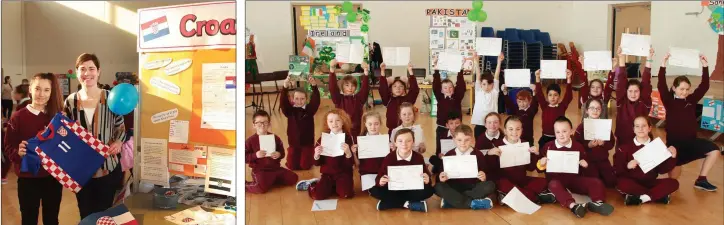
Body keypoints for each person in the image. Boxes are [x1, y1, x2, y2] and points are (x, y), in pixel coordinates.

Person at [64, 53, 126, 219]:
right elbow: (65, 134)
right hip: (81, 172)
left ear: (98, 72)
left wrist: (119, 142)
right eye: (82, 69)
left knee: (105, 215)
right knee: (85, 214)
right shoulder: (70, 102)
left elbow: (120, 127)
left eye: (91, 68)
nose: (87, 73)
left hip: (108, 168)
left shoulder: (111, 97)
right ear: (77, 72)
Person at [4, 73, 64, 225]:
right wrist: (17, 153)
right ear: (30, 89)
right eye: (37, 88)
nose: (41, 94)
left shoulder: (57, 117)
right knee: (29, 219)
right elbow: (8, 145)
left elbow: (65, 147)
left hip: (53, 177)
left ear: (52, 92)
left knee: (51, 219)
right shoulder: (17, 117)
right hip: (27, 178)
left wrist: (65, 133)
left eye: (46, 90)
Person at [657, 53, 719, 191]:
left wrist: (705, 66)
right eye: (681, 89)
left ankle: (701, 180)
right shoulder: (669, 101)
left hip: (691, 143)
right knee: (673, 182)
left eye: (687, 89)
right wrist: (663, 64)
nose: (684, 92)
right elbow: (661, 84)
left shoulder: (691, 100)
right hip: (675, 147)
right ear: (674, 88)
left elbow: (704, 85)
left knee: (715, 150)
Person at [537, 117, 613, 218]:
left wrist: (584, 164)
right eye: (558, 132)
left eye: (564, 131)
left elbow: (585, 165)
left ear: (571, 131)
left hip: (573, 180)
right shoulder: (548, 146)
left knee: (596, 182)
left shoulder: (578, 146)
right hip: (556, 181)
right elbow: (538, 168)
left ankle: (597, 203)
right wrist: (541, 163)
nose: (561, 134)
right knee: (553, 185)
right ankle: (573, 206)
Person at [489, 116, 555, 204]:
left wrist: (535, 154)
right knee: (502, 184)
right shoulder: (497, 144)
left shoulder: (525, 144)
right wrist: (490, 154)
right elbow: (492, 169)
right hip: (506, 181)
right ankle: (535, 197)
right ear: (505, 130)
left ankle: (509, 196)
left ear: (522, 130)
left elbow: (531, 168)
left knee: (544, 182)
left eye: (518, 129)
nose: (514, 132)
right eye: (511, 129)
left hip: (522, 180)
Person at [615, 116, 679, 205]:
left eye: (644, 126)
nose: (640, 129)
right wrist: (627, 165)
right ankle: (656, 196)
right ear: (633, 129)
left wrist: (672, 156)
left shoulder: (657, 146)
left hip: (650, 182)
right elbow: (617, 170)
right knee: (622, 184)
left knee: (673, 183)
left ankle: (640, 198)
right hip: (632, 182)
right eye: (637, 126)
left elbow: (662, 170)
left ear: (649, 128)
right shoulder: (624, 148)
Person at [369, 128, 434, 212]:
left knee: (429, 190)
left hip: (412, 189)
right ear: (395, 143)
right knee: (374, 190)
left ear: (413, 142)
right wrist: (381, 182)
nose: (404, 144)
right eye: (400, 141)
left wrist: (427, 179)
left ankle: (390, 203)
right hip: (394, 190)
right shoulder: (389, 157)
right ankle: (408, 204)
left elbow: (427, 177)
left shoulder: (418, 157)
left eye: (408, 141)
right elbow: (378, 178)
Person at [296, 109, 356, 200]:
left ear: (343, 122)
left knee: (346, 194)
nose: (334, 123)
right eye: (331, 121)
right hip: (328, 174)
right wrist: (316, 154)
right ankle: (314, 183)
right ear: (327, 124)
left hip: (343, 174)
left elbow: (351, 164)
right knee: (317, 195)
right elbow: (316, 163)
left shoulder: (348, 138)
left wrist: (348, 153)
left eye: (338, 120)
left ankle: (333, 187)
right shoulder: (323, 139)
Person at [435, 125, 496, 210]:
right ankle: (471, 203)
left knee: (490, 185)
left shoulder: (478, 154)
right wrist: (441, 178)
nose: (463, 143)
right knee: (438, 187)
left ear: (472, 139)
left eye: (467, 140)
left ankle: (452, 201)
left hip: (473, 187)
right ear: (454, 140)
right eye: (459, 140)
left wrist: (484, 176)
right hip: (454, 187)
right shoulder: (449, 154)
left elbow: (486, 172)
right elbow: (440, 176)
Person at [245, 110, 298, 194]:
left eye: (265, 122)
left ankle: (270, 180)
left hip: (275, 168)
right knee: (261, 189)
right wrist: (255, 155)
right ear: (254, 125)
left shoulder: (275, 138)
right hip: (260, 170)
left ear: (269, 124)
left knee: (293, 178)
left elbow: (282, 153)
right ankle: (244, 185)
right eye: (259, 123)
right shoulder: (250, 141)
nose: (262, 125)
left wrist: (279, 154)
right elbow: (244, 158)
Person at [614, 47, 653, 147]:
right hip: (623, 140)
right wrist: (621, 58)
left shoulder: (645, 102)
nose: (633, 94)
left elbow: (646, 81)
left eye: (636, 91)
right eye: (630, 91)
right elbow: (622, 79)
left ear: (641, 92)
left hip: (642, 141)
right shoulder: (621, 102)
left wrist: (649, 58)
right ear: (626, 92)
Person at [573, 98, 616, 187]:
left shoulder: (605, 125)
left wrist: (603, 144)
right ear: (587, 111)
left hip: (603, 160)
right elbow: (575, 145)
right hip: (589, 160)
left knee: (611, 182)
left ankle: (601, 176)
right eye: (592, 108)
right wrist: (588, 145)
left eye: (598, 108)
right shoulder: (581, 127)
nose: (595, 111)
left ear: (601, 110)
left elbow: (611, 143)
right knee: (595, 182)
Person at [280, 76, 320, 170]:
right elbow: (283, 103)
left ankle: (310, 155)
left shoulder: (310, 110)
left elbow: (316, 100)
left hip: (307, 144)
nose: (299, 101)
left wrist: (314, 85)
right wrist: (285, 87)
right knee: (292, 166)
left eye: (302, 99)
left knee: (305, 166)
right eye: (296, 98)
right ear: (293, 99)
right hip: (294, 144)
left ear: (306, 99)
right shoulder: (289, 111)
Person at [328, 59, 370, 137]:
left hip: (356, 131)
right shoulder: (338, 99)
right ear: (342, 87)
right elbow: (332, 88)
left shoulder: (359, 98)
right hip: (341, 131)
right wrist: (332, 70)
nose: (350, 88)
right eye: (347, 85)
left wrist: (366, 72)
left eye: (352, 86)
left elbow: (365, 88)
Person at [379, 63, 419, 137]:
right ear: (391, 89)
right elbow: (383, 89)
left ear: (404, 89)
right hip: (392, 130)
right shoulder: (388, 100)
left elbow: (414, 89)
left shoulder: (408, 100)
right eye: (395, 86)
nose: (398, 88)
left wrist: (410, 71)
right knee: (392, 148)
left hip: (407, 130)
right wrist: (382, 71)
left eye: (401, 86)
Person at [535, 69, 573, 148]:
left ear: (559, 97)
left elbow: (569, 96)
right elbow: (539, 94)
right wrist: (537, 78)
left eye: (555, 95)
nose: (552, 97)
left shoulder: (562, 107)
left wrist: (569, 79)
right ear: (547, 96)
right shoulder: (544, 106)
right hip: (545, 137)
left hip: (558, 138)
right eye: (550, 95)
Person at [431, 58, 466, 144]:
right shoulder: (440, 97)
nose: (448, 89)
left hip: (456, 128)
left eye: (450, 87)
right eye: (445, 88)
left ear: (454, 89)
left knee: (457, 145)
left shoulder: (457, 97)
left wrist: (460, 69)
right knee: (441, 148)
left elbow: (461, 85)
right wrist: (436, 69)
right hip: (442, 127)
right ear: (441, 90)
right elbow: (436, 85)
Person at [351, 111, 389, 185]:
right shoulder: (361, 141)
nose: (373, 127)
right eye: (370, 124)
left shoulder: (385, 140)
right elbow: (358, 164)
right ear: (365, 124)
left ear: (380, 124)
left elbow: (389, 162)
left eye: (376, 124)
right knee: (372, 190)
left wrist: (393, 150)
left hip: (382, 173)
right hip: (367, 174)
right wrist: (354, 153)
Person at [471, 53, 504, 139]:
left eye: (489, 84)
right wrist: (476, 61)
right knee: (479, 142)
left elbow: (496, 77)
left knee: (492, 141)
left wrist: (499, 62)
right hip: (479, 123)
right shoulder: (478, 91)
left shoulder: (494, 92)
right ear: (481, 84)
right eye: (484, 84)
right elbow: (478, 76)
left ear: (492, 85)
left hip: (491, 124)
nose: (486, 87)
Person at [429, 111, 462, 176]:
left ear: (461, 124)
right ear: (447, 125)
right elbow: (438, 151)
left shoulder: (463, 135)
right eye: (451, 123)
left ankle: (439, 169)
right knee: (432, 158)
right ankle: (441, 168)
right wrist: (439, 155)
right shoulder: (442, 135)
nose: (454, 126)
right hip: (446, 159)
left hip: (458, 159)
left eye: (457, 123)